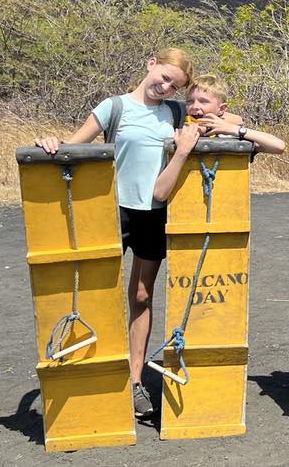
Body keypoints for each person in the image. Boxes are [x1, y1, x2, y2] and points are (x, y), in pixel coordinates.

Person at [35, 48, 193, 420]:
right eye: (165, 76)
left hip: (153, 213)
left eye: (175, 85)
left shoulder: (176, 113)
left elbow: (222, 114)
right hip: (111, 210)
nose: (166, 87)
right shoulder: (114, 107)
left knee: (141, 294)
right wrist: (51, 142)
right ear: (151, 62)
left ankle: (134, 380)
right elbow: (76, 146)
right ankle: (92, 375)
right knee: (97, 292)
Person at [152, 74, 286, 203]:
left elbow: (278, 146)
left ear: (222, 109)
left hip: (228, 213)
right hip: (184, 213)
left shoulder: (230, 135)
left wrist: (234, 129)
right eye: (190, 101)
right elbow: (159, 194)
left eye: (203, 101)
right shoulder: (179, 134)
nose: (195, 106)